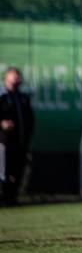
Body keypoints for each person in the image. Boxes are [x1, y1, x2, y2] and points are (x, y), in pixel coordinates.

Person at [0, 67, 34, 206]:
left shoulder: (22, 99)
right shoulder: (2, 97)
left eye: (18, 77)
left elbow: (30, 119)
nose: (16, 80)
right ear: (6, 78)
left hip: (20, 142)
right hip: (4, 142)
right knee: (4, 171)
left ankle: (11, 198)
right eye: (13, 76)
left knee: (17, 172)